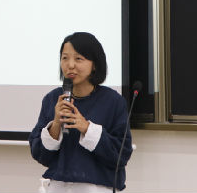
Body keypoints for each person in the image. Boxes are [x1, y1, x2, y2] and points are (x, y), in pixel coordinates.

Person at [29, 32, 133, 193]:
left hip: (97, 188)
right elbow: (40, 155)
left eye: (78, 59)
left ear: (95, 64)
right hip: (58, 187)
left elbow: (121, 155)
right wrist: (56, 124)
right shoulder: (52, 99)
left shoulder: (113, 101)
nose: (70, 65)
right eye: (65, 58)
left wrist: (87, 128)